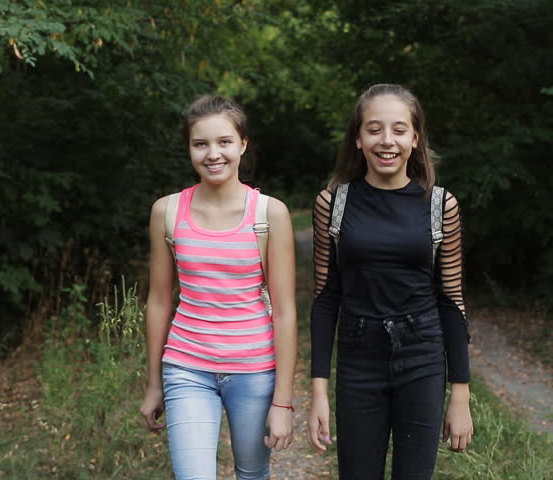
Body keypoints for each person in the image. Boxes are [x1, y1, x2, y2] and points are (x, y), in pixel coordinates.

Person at [306, 83, 473, 479]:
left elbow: (452, 300)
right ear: (358, 138)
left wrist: (460, 393)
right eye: (374, 129)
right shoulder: (332, 204)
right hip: (358, 358)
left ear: (415, 138)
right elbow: (326, 299)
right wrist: (317, 392)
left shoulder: (439, 205)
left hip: (423, 357)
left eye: (399, 130)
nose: (387, 141)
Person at [139, 94, 297, 480]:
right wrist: (154, 382)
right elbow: (159, 301)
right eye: (201, 144)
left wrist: (284, 403)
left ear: (242, 144)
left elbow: (287, 311)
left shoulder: (269, 213)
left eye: (224, 142)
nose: (213, 154)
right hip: (186, 367)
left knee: (251, 472)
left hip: (254, 370)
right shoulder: (167, 211)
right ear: (189, 149)